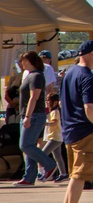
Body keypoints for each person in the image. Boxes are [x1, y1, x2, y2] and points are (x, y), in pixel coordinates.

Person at [60, 40, 93, 203]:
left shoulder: (70, 74)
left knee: (75, 175)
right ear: (92, 54)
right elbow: (89, 107)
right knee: (80, 175)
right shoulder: (88, 77)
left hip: (70, 131)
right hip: (85, 132)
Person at [14, 50, 58, 186]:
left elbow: (34, 97)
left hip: (33, 115)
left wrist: (27, 116)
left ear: (28, 61)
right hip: (29, 114)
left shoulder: (37, 76)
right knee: (29, 146)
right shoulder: (30, 75)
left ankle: (49, 165)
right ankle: (29, 176)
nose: (21, 64)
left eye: (23, 61)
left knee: (25, 145)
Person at [40, 92, 68, 182]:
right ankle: (63, 173)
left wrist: (44, 124)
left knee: (43, 154)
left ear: (55, 102)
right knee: (58, 156)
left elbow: (54, 122)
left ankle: (48, 171)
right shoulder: (52, 111)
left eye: (49, 100)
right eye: (46, 100)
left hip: (55, 138)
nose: (47, 102)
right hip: (56, 137)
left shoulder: (55, 112)